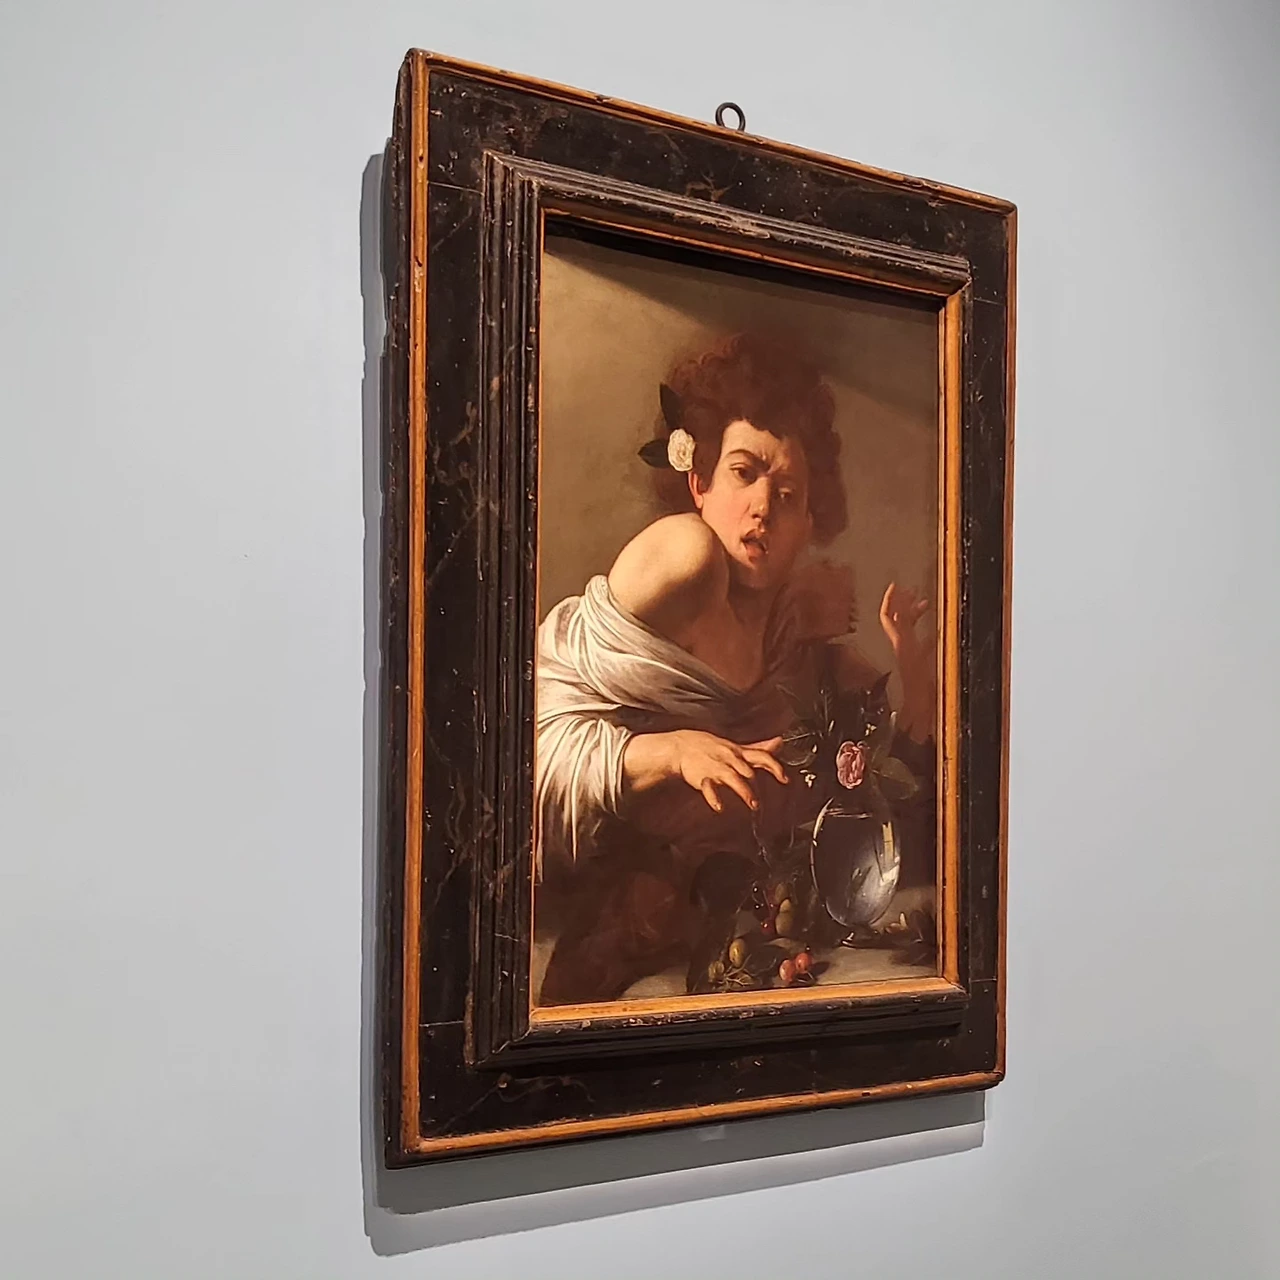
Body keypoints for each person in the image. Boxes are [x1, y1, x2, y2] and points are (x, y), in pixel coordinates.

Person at [534, 332, 934, 1003]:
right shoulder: (685, 560)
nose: (763, 507)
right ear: (698, 482)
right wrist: (672, 751)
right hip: (595, 892)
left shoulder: (793, 626)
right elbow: (532, 739)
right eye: (744, 474)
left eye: (788, 494)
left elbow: (892, 765)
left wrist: (911, 659)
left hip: (723, 916)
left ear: (808, 522)